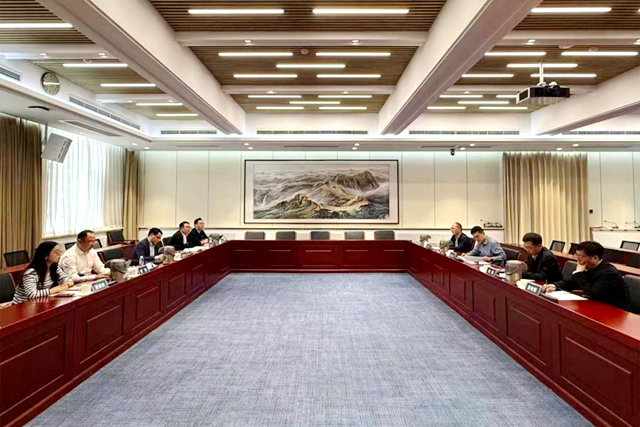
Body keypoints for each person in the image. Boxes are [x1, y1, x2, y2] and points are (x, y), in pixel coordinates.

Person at [544, 241, 631, 311]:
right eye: (577, 255)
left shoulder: (608, 273)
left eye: (581, 256)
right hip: (598, 306)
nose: (578, 259)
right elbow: (572, 283)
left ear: (595, 258)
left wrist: (579, 273)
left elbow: (592, 293)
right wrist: (554, 286)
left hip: (614, 311)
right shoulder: (589, 267)